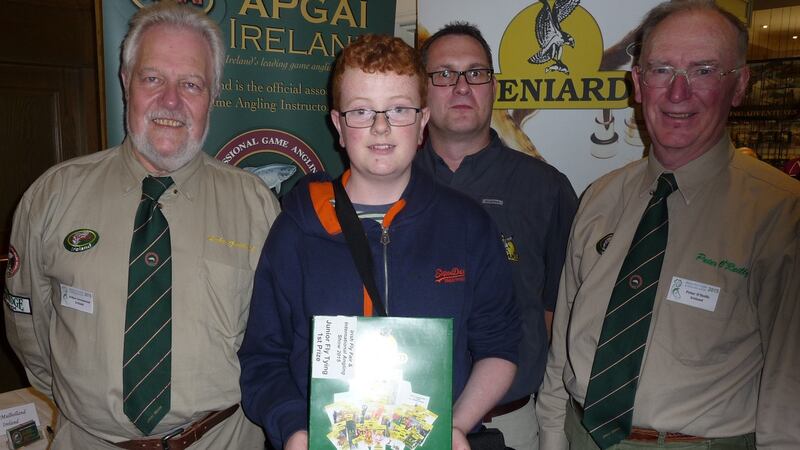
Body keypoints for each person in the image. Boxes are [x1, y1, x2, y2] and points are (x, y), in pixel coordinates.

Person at [3, 2, 280, 448]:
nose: (171, 101)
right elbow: (28, 326)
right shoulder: (53, 196)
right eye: (153, 78)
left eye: (191, 84)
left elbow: (275, 338)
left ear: (213, 96)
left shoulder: (256, 206)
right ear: (125, 83)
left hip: (222, 439)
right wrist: (82, 400)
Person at [536, 1, 799, 449]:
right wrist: (551, 435)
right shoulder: (600, 197)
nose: (678, 93)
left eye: (703, 71)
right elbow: (564, 342)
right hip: (580, 436)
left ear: (739, 86)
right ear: (638, 84)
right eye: (661, 70)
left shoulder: (780, 213)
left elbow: (789, 388)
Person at [238, 34, 521, 450]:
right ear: (338, 125)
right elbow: (263, 358)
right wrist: (296, 432)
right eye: (362, 111)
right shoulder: (296, 231)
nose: (381, 126)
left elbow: (501, 343)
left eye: (399, 109)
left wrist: (455, 427)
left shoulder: (468, 225)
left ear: (423, 121)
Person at [415, 22, 577, 450]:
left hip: (511, 424)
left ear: (494, 86)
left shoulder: (545, 188)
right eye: (444, 74)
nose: (462, 86)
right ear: (420, 90)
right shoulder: (388, 182)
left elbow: (556, 314)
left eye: (476, 72)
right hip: (402, 419)